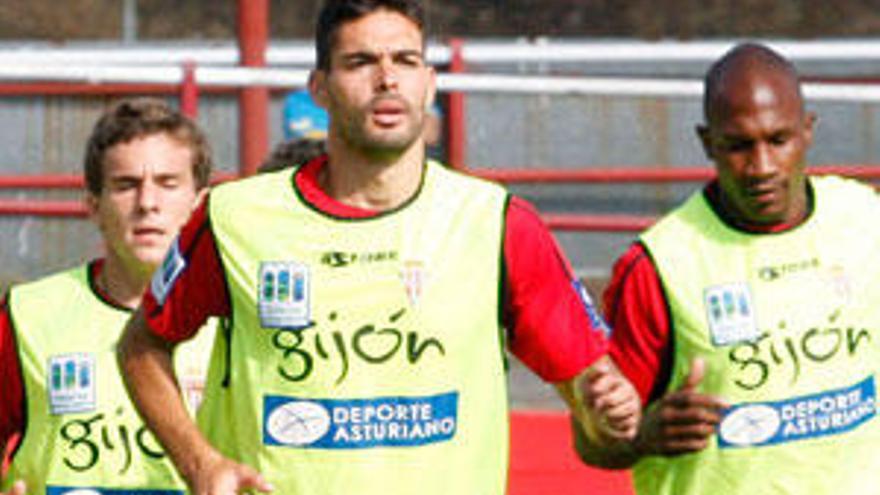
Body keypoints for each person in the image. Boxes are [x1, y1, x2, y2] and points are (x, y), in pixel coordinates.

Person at [116, 1, 640, 494]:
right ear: (319, 87)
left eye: (406, 60)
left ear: (429, 83)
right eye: (360, 61)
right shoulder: (236, 218)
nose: (387, 78)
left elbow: (593, 410)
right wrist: (200, 462)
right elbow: (141, 346)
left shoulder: (498, 224)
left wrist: (606, 416)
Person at [575, 42, 880, 494]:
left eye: (778, 140)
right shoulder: (660, 266)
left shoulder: (864, 219)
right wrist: (641, 435)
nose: (761, 167)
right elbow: (591, 439)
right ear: (707, 142)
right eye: (738, 146)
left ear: (807, 130)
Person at [0, 98, 216, 494]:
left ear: (199, 203)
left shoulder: (237, 319)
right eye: (126, 185)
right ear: (93, 207)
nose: (147, 204)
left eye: (168, 184)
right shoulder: (26, 315)